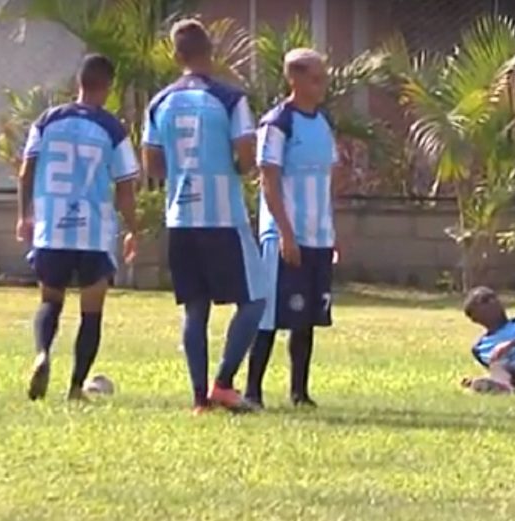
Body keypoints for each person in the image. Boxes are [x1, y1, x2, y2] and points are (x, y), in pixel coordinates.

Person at [141, 19, 266, 414]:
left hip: (181, 215)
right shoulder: (230, 98)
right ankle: (225, 383)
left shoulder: (159, 102)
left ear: (177, 57)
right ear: (211, 52)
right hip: (223, 215)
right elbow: (247, 153)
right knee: (256, 299)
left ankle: (199, 399)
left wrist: (182, 175)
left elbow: (152, 162)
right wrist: (234, 168)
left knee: (195, 308)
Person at [17, 54, 139, 402]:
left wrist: (23, 214)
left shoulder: (47, 120)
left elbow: (26, 172)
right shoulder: (112, 129)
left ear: (78, 82)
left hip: (52, 224)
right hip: (93, 230)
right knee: (92, 310)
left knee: (50, 298)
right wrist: (133, 229)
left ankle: (42, 353)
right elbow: (126, 186)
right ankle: (75, 387)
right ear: (109, 86)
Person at [244, 49, 339, 409]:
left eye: (323, 78)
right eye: (316, 78)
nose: (322, 85)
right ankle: (253, 390)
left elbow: (329, 178)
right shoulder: (277, 123)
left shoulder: (323, 121)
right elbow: (268, 180)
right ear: (295, 80)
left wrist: (333, 231)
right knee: (270, 313)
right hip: (286, 235)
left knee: (307, 317)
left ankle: (300, 392)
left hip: (318, 235)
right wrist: (285, 233)